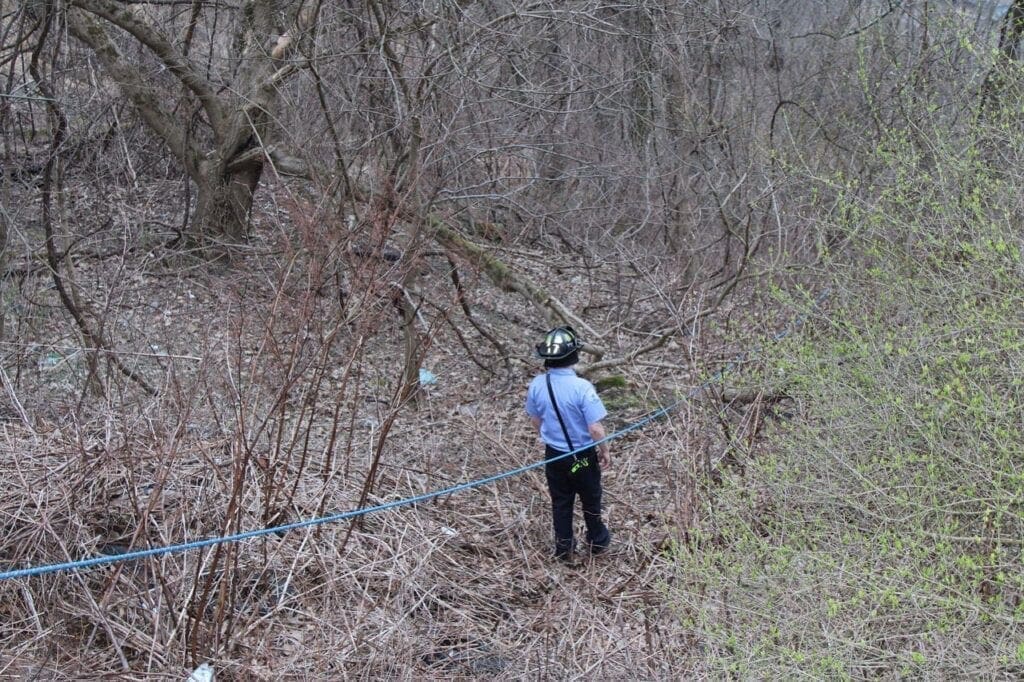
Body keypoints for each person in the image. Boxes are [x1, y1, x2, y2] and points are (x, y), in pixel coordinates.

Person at [525, 326, 612, 562]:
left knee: (561, 502)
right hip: (582, 457)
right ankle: (597, 542)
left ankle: (564, 549)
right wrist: (604, 450)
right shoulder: (582, 387)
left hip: (554, 456)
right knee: (590, 498)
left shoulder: (537, 385)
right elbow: (595, 428)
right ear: (573, 356)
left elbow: (535, 420)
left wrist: (550, 437)